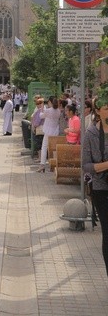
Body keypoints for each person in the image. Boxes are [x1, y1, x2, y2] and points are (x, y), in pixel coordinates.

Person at [82, 95, 108, 276]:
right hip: (102, 189)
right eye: (106, 108)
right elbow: (86, 165)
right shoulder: (91, 134)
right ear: (98, 111)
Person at [37, 96, 60, 172]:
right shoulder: (58, 110)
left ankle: (42, 164)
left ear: (50, 102)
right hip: (55, 131)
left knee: (44, 147)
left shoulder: (49, 110)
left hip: (48, 131)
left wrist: (41, 109)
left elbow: (41, 116)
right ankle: (54, 165)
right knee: (54, 149)